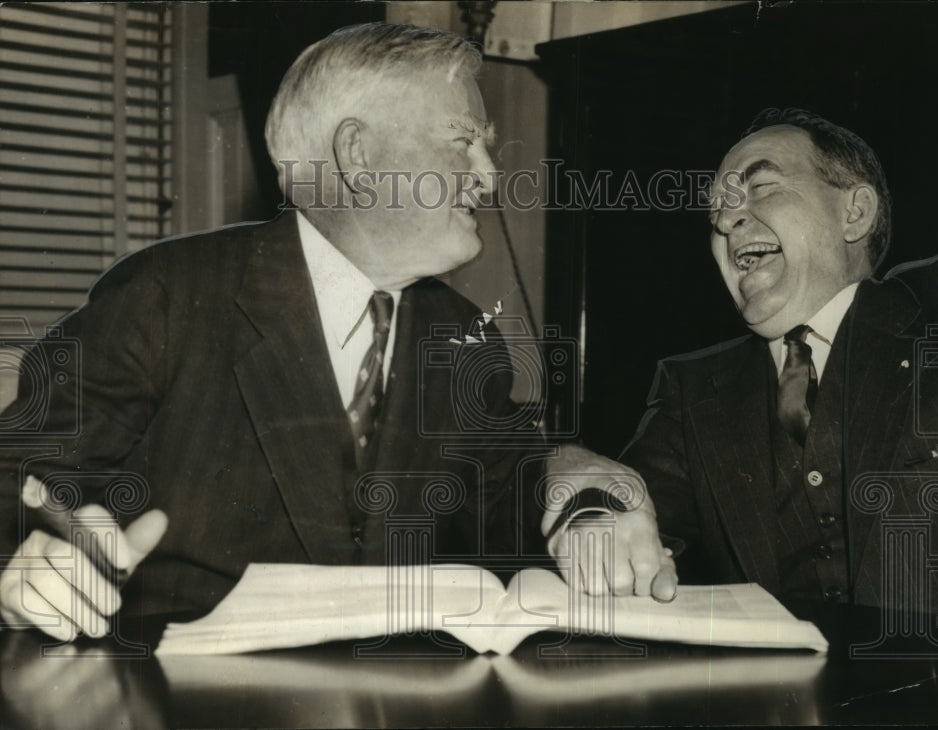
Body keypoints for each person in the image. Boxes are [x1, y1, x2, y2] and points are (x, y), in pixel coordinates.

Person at [0, 22, 567, 642]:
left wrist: (589, 487)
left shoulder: (464, 337)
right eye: (463, 141)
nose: (487, 176)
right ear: (358, 154)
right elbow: (18, 476)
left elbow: (517, 499)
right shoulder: (166, 294)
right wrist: (23, 568)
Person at [553, 108, 938, 619]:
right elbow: (616, 509)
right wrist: (573, 477)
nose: (725, 219)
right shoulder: (691, 391)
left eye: (761, 187)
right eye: (716, 209)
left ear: (855, 213)